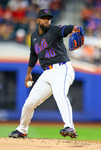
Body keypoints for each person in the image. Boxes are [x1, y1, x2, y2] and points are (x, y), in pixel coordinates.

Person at [9, 9, 82, 139]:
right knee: (29, 103)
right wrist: (28, 73)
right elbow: (33, 54)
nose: (47, 20)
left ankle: (69, 126)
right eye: (44, 18)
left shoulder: (54, 30)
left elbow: (67, 28)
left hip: (62, 68)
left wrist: (75, 28)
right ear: (37, 20)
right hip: (47, 72)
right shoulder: (34, 37)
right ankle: (22, 130)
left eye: (49, 18)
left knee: (60, 95)